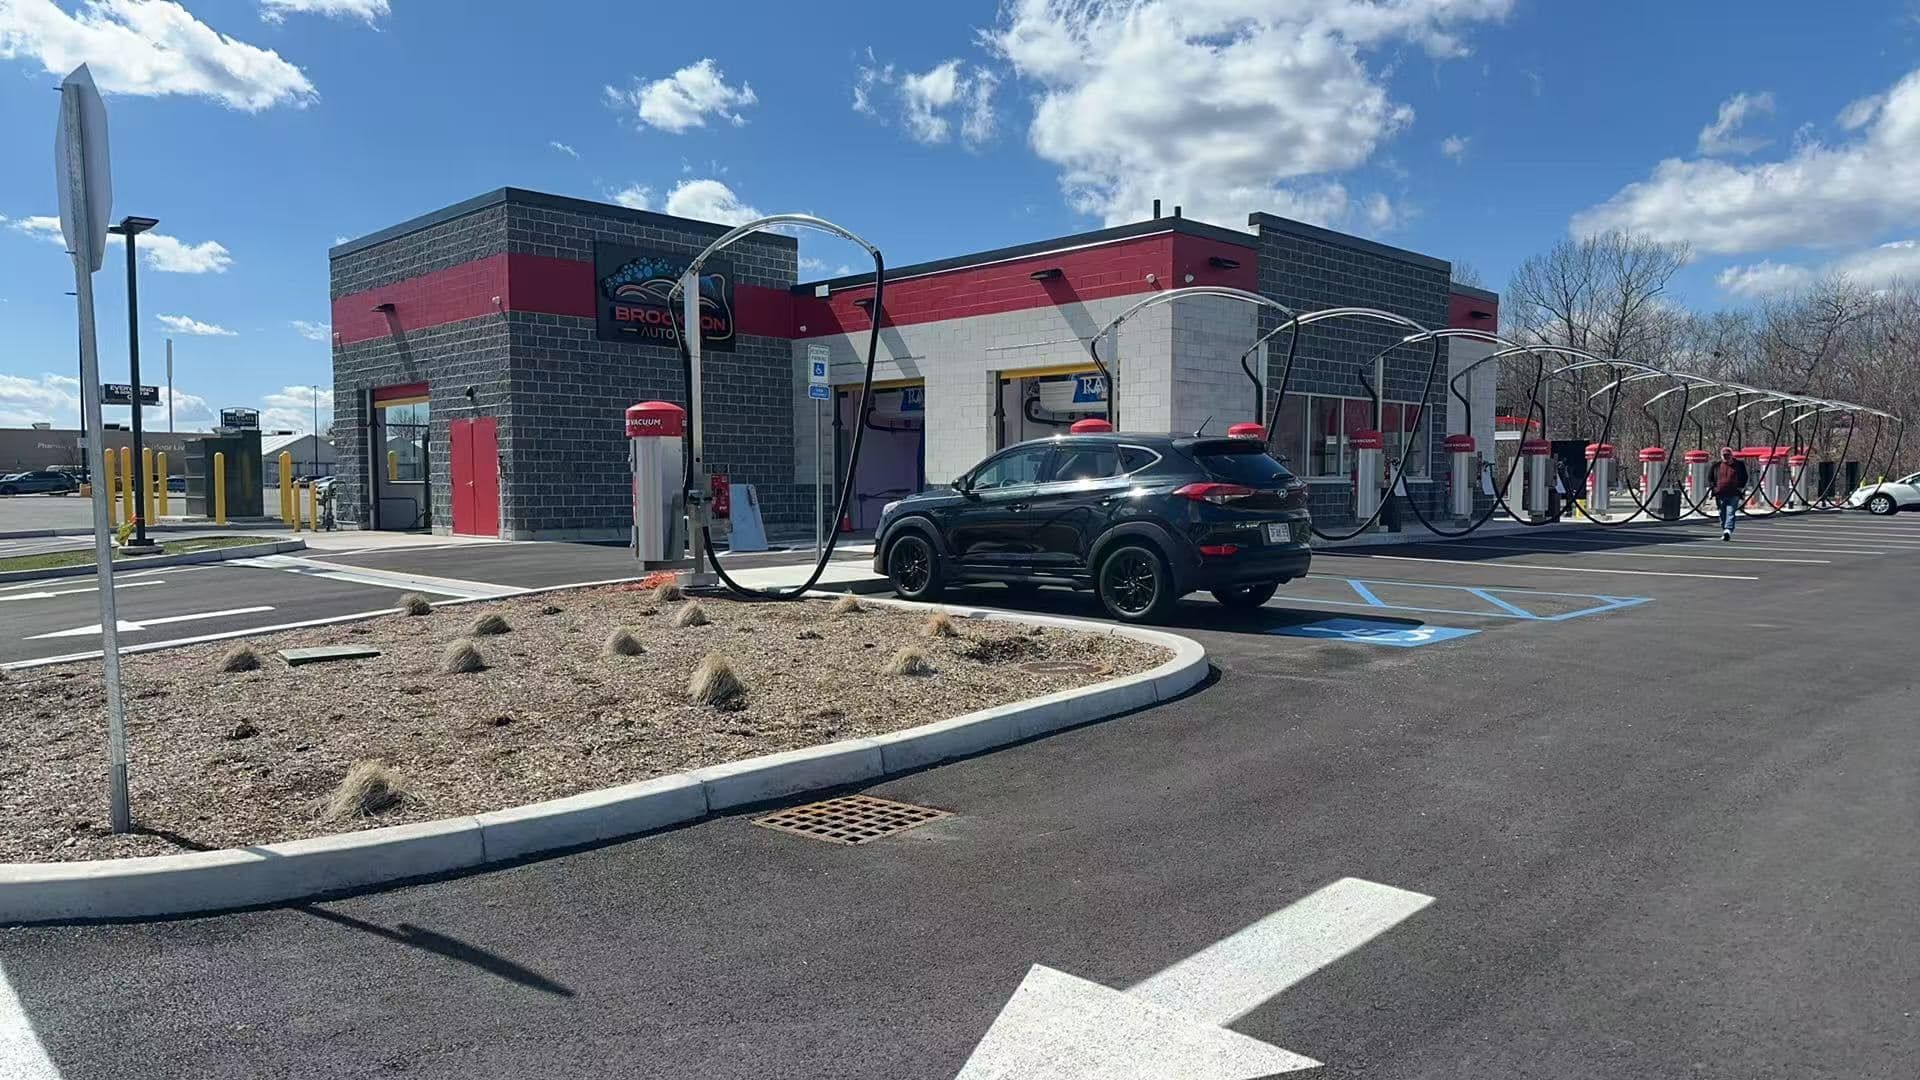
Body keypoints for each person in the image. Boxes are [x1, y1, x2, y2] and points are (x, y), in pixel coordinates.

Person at [1709, 446, 1749, 540]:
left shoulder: (1739, 465)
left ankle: (1728, 529)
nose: (1726, 457)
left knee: (1731, 512)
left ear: (1731, 455)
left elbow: (1744, 477)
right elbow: (1710, 477)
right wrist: (1713, 488)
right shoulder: (1716, 465)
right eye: (1724, 455)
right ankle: (1725, 530)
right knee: (1722, 513)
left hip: (1734, 493)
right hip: (1720, 493)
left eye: (1727, 455)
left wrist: (1741, 488)